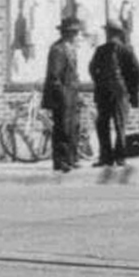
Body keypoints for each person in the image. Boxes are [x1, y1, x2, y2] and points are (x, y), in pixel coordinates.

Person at [89, 17, 139, 166]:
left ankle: (107, 157)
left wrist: (100, 82)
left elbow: (93, 70)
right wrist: (129, 86)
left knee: (104, 124)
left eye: (109, 32)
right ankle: (118, 157)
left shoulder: (102, 50)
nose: (109, 35)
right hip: (119, 92)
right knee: (118, 124)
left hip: (106, 92)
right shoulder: (125, 50)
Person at [42, 17, 84, 173]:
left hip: (72, 93)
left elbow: (73, 73)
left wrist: (77, 93)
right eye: (75, 32)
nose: (77, 36)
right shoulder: (58, 49)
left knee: (73, 127)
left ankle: (71, 158)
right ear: (69, 33)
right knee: (63, 128)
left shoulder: (71, 49)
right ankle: (61, 161)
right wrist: (62, 95)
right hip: (63, 95)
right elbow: (54, 77)